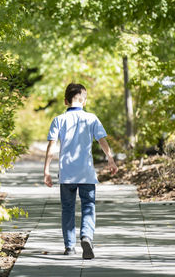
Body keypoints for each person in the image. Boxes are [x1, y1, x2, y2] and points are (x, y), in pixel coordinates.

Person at [44, 83, 118, 259]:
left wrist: (46, 170)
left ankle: (69, 247)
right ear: (84, 101)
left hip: (67, 173)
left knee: (67, 209)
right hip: (86, 173)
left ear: (65, 101)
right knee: (88, 206)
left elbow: (51, 147)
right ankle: (86, 236)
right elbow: (102, 141)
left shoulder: (58, 120)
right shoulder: (92, 118)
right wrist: (110, 159)